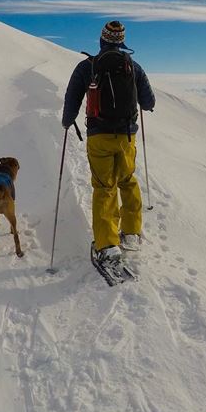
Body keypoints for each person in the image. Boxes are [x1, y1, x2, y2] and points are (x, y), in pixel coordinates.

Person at [62, 20, 155, 266]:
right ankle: (132, 234)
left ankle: (107, 245)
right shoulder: (133, 67)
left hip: (98, 136)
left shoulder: (86, 67)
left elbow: (71, 99)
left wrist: (67, 121)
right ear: (122, 42)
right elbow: (148, 102)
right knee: (127, 180)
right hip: (126, 136)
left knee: (104, 187)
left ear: (102, 40)